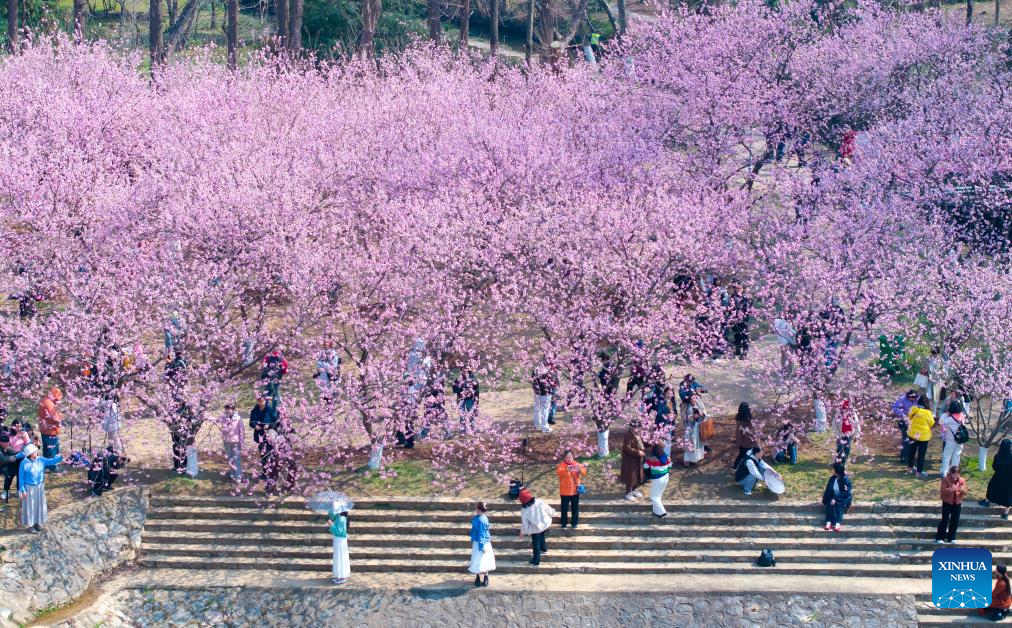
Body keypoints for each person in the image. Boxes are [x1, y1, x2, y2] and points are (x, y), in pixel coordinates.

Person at [18, 444, 62, 533]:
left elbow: (51, 461)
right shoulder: (24, 463)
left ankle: (37, 523)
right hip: (29, 488)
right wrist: (22, 489)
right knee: (30, 506)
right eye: (34, 451)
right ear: (30, 453)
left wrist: (61, 457)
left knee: (38, 505)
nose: (36, 452)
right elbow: (21, 477)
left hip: (39, 487)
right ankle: (30, 525)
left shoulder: (41, 460)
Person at [518, 488, 556, 566]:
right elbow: (548, 509)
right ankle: (544, 548)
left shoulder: (524, 510)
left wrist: (523, 532)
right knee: (542, 535)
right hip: (544, 524)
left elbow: (525, 524)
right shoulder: (539, 502)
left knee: (536, 543)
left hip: (535, 528)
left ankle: (536, 560)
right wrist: (553, 513)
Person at [980, 439, 1012, 520]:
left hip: (998, 476)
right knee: (1008, 494)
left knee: (992, 487)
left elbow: (994, 467)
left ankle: (987, 502)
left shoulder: (997, 456)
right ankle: (1005, 514)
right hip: (1009, 478)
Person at [935, 465, 967, 544]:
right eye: (953, 474)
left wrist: (962, 490)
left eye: (956, 474)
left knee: (955, 520)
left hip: (957, 503)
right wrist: (951, 489)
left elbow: (966, 492)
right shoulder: (946, 479)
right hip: (947, 502)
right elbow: (942, 491)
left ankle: (951, 537)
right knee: (945, 520)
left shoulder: (962, 480)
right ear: (950, 473)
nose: (955, 476)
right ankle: (940, 537)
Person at [905, 394, 934, 477]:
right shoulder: (928, 413)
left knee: (911, 451)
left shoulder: (913, 408)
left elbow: (909, 416)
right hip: (923, 436)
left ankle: (909, 468)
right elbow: (931, 423)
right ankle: (919, 472)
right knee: (921, 454)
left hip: (912, 434)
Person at [556, 451, 586, 529]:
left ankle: (574, 523)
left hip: (575, 491)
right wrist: (566, 469)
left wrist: (580, 470)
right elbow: (559, 473)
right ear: (564, 458)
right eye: (567, 457)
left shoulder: (577, 464)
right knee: (564, 508)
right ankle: (564, 523)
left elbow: (584, 472)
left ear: (573, 457)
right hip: (565, 491)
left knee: (575, 508)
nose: (569, 459)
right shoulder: (561, 465)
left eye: (570, 457)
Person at [468, 501, 494, 587]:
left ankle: (484, 577)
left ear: (479, 509)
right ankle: (479, 577)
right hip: (478, 541)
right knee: (478, 559)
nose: (475, 509)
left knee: (482, 559)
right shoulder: (479, 517)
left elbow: (482, 534)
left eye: (477, 507)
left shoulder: (481, 520)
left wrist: (481, 546)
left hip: (481, 543)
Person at [37, 387, 63, 470]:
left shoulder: (45, 400)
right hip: (50, 430)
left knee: (47, 448)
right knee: (52, 449)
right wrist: (61, 416)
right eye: (57, 397)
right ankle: (53, 466)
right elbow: (55, 418)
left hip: (45, 429)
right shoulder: (49, 404)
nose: (58, 400)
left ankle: (47, 465)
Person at [939, 400, 967, 479]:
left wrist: (946, 414)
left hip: (950, 440)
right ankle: (954, 472)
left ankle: (944, 471)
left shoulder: (949, 418)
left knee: (947, 455)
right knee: (956, 455)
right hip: (960, 440)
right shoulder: (962, 416)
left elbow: (941, 422)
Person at [2, 420, 29, 501]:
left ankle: (19, 490)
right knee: (9, 475)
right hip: (12, 457)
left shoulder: (24, 433)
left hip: (21, 457)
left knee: (20, 475)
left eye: (20, 426)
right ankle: (6, 491)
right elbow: (10, 445)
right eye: (16, 426)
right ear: (13, 426)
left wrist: (24, 437)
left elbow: (28, 443)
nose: (18, 428)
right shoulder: (9, 434)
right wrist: (17, 435)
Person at [821, 462, 852, 531]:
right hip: (834, 496)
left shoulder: (844, 479)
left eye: (833, 469)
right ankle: (828, 522)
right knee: (829, 503)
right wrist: (825, 500)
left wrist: (835, 498)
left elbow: (846, 492)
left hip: (844, 497)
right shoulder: (832, 478)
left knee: (838, 504)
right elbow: (828, 490)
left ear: (837, 470)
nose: (832, 470)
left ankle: (837, 523)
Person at [249, 397, 276, 472]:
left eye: (262, 400)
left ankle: (272, 472)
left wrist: (269, 425)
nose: (260, 402)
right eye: (259, 400)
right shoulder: (254, 411)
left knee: (270, 453)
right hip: (259, 435)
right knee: (263, 454)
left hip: (269, 435)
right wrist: (255, 426)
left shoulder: (270, 410)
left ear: (265, 401)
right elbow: (251, 422)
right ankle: (265, 472)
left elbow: (275, 422)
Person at [620, 422, 646, 501]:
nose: (637, 428)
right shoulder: (628, 435)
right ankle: (628, 493)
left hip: (638, 459)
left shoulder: (638, 434)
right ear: (631, 427)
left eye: (638, 427)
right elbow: (626, 448)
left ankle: (635, 489)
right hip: (630, 460)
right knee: (630, 476)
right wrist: (638, 452)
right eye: (635, 427)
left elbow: (642, 443)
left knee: (638, 475)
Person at [643, 445, 671, 517]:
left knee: (653, 496)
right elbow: (670, 465)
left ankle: (662, 512)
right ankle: (656, 511)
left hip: (657, 479)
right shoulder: (666, 456)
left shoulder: (652, 459)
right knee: (658, 495)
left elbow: (645, 466)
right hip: (666, 477)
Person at [891, 389, 918, 461]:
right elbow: (894, 407)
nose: (913, 399)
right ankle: (904, 457)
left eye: (915, 398)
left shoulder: (916, 399)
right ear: (908, 396)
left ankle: (907, 455)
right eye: (912, 398)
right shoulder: (902, 399)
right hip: (904, 421)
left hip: (914, 421)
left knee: (912, 439)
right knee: (906, 438)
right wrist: (903, 415)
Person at [531, 360, 557, 433]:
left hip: (537, 392)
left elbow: (532, 380)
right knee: (545, 410)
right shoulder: (548, 371)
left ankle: (537, 425)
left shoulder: (535, 369)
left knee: (537, 408)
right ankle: (545, 427)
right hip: (545, 393)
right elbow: (553, 382)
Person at [220, 403, 244, 482]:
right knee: (230, 458)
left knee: (236, 458)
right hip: (227, 441)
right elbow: (221, 428)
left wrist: (241, 442)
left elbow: (241, 430)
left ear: (233, 409)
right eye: (227, 408)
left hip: (236, 441)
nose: (229, 410)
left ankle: (238, 475)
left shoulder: (238, 418)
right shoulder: (223, 418)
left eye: (231, 408)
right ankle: (233, 473)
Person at [452, 369, 480, 434]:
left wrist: (476, 402)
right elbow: (454, 389)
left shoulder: (474, 380)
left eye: (466, 371)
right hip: (460, 399)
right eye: (463, 371)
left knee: (472, 414)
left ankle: (473, 430)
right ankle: (462, 431)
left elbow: (477, 392)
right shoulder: (458, 379)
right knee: (462, 416)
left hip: (470, 399)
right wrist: (461, 388)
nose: (465, 372)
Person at [328, 508, 350, 585]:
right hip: (338, 540)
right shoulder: (339, 518)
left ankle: (342, 576)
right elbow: (332, 516)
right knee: (338, 557)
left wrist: (331, 525)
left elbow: (338, 532)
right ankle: (339, 575)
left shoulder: (341, 519)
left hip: (340, 540)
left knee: (340, 557)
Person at [733, 402, 757, 470]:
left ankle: (737, 467)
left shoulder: (738, 417)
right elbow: (750, 429)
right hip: (747, 440)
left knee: (741, 454)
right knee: (744, 454)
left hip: (740, 438)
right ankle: (737, 467)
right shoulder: (748, 419)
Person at [833, 400, 857, 467]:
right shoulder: (838, 414)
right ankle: (837, 463)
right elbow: (834, 425)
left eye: (847, 408)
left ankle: (843, 463)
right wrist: (837, 435)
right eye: (844, 408)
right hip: (840, 434)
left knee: (847, 449)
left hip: (849, 435)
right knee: (839, 449)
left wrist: (856, 436)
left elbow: (857, 424)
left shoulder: (853, 414)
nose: (845, 410)